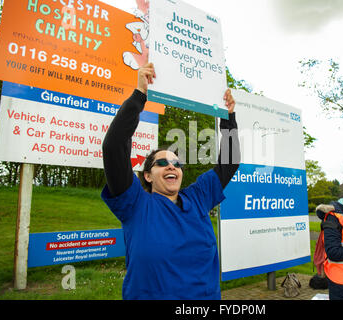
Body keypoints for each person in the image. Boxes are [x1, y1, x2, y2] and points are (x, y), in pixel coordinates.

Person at [100, 60, 240, 299]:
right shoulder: (135, 204)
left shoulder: (197, 197)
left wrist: (228, 117)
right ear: (147, 175)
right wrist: (139, 95)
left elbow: (230, 161)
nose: (171, 166)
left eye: (177, 163)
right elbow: (114, 146)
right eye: (162, 163)